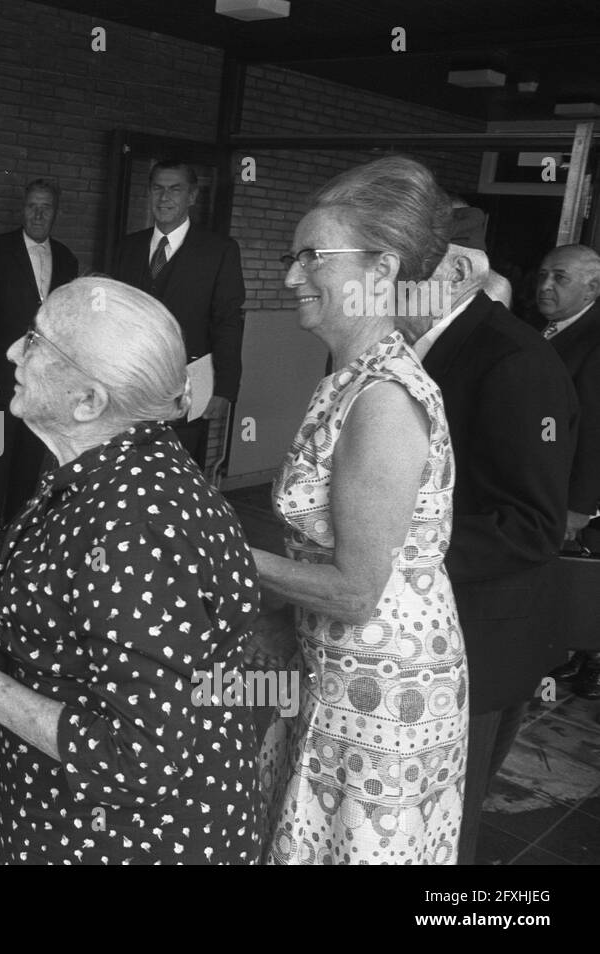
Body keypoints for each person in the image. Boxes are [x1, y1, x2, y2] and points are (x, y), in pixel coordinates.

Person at [0, 277, 262, 864]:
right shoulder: (114, 464)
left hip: (129, 842)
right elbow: (10, 563)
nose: (10, 352)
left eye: (35, 341)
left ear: (88, 401)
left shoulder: (133, 529)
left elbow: (140, 757)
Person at [253, 157, 468, 865]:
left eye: (312, 257)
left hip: (385, 695)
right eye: (293, 257)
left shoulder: (383, 398)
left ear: (382, 268)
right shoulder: (350, 379)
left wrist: (214, 550)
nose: (291, 276)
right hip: (340, 674)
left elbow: (354, 589)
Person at [394, 206, 575, 862]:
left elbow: (530, 526)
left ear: (459, 269)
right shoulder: (408, 344)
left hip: (476, 644)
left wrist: (388, 549)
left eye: (393, 268)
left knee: (444, 830)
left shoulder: (515, 360)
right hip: (415, 635)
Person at [110, 159, 245, 470]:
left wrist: (224, 389)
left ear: (192, 197)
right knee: (125, 474)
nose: (165, 197)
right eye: (158, 188)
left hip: (188, 388)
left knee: (177, 475)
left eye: (175, 189)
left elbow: (228, 321)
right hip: (130, 388)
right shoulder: (127, 248)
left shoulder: (219, 251)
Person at [0, 179, 79, 523]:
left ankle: (13, 534)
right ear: (22, 209)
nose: (38, 213)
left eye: (45, 207)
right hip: (0, 379)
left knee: (30, 461)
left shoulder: (67, 259)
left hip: (43, 383)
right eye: (32, 205)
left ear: (56, 212)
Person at [537, 244, 600, 699]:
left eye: (560, 278)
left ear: (592, 288)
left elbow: (595, 429)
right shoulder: (550, 329)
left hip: (577, 492)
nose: (544, 286)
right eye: (542, 275)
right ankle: (572, 652)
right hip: (547, 481)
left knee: (588, 570)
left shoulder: (595, 338)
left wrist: (579, 506)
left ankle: (592, 661)